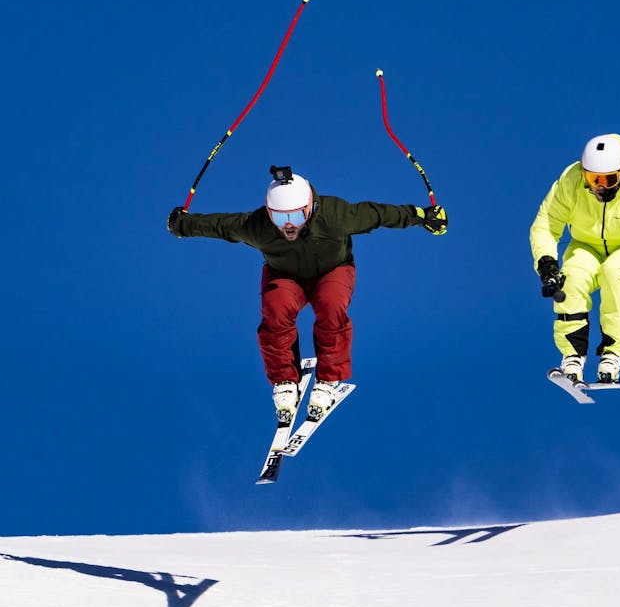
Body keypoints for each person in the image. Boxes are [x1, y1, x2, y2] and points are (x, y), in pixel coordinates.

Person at [168, 165, 447, 420]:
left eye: (295, 215)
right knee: (275, 311)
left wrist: (423, 216)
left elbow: (379, 214)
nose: (288, 225)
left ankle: (327, 380)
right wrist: (182, 224)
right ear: (268, 213)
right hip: (285, 275)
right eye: (279, 217)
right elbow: (220, 225)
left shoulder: (335, 215)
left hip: (333, 270)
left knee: (331, 307)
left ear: (309, 208)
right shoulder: (257, 227)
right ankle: (285, 380)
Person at [530, 134, 620, 384]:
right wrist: (546, 262)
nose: (599, 187)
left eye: (608, 179)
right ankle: (573, 355)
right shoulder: (571, 182)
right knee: (572, 275)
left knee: (615, 271)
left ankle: (613, 355)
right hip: (586, 245)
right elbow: (545, 223)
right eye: (592, 178)